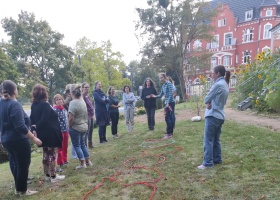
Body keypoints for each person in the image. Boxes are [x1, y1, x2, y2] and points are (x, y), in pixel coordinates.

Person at [0, 80, 42, 196]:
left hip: (6, 140)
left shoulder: (1, 103)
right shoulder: (14, 104)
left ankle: (18, 187)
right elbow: (20, 126)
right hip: (18, 140)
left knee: (14, 162)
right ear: (14, 91)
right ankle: (22, 190)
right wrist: (34, 138)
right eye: (17, 88)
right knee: (23, 164)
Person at [30, 84, 65, 183]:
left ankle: (47, 174)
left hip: (42, 135)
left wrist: (34, 128)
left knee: (45, 154)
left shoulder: (34, 105)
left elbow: (31, 119)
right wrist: (37, 126)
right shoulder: (45, 105)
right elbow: (44, 119)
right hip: (50, 134)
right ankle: (53, 176)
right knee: (52, 155)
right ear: (44, 93)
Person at [197, 65, 230, 170]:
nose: (211, 75)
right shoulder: (225, 84)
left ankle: (207, 163)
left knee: (208, 140)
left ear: (218, 74)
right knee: (216, 139)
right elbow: (219, 100)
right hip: (220, 115)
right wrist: (210, 102)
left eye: (212, 73)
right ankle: (217, 159)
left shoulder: (217, 85)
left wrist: (208, 102)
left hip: (212, 115)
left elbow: (206, 98)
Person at [68, 84, 92, 169]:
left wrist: (69, 127)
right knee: (83, 145)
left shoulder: (73, 103)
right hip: (84, 126)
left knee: (77, 146)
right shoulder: (82, 101)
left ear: (72, 93)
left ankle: (82, 163)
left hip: (76, 127)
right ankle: (88, 161)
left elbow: (71, 118)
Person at [152, 73, 175, 139]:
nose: (160, 79)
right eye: (160, 78)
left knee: (168, 118)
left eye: (161, 77)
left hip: (170, 103)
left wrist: (168, 103)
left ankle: (169, 133)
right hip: (167, 103)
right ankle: (169, 132)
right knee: (168, 118)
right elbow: (161, 94)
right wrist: (155, 96)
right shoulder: (163, 86)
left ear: (165, 77)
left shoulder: (169, 84)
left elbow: (171, 94)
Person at [53, 94, 69, 172]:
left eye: (60, 99)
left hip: (66, 130)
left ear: (63, 100)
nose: (59, 101)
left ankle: (65, 159)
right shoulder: (55, 110)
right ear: (55, 102)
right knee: (60, 147)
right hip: (59, 131)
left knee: (65, 146)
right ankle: (61, 161)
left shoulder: (64, 109)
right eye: (57, 100)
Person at [63, 84, 77, 159]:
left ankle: (75, 153)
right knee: (74, 137)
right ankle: (74, 154)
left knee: (74, 137)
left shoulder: (68, 95)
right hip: (71, 116)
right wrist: (69, 110)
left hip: (71, 115)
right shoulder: (69, 96)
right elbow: (64, 103)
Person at [82, 82, 94, 149]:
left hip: (91, 115)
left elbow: (91, 105)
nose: (87, 89)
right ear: (82, 88)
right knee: (87, 131)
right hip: (86, 116)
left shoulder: (88, 96)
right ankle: (85, 146)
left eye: (88, 87)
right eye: (85, 87)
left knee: (91, 130)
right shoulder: (82, 96)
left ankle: (90, 143)